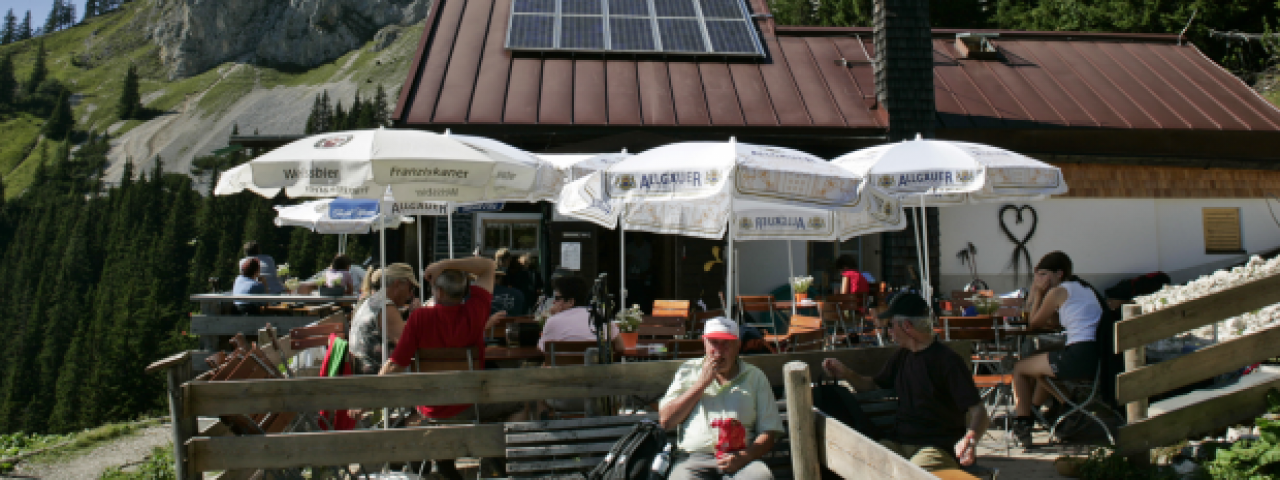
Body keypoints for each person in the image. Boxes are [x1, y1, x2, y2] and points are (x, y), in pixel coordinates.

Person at [820, 293, 988, 471]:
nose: (889, 332)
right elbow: (874, 385)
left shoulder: (947, 362)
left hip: (935, 448)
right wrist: (846, 373)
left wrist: (970, 440)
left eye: (891, 325)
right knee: (862, 462)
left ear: (907, 326)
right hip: (898, 444)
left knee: (911, 474)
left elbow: (979, 411)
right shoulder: (902, 356)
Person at [379, 257, 501, 480]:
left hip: (430, 407)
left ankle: (439, 466)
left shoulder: (420, 318)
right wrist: (444, 265)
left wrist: (371, 388)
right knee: (521, 403)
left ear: (440, 293)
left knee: (411, 423)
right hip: (468, 405)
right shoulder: (476, 311)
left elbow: (396, 364)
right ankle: (498, 465)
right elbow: (488, 266)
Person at [659, 316, 784, 480]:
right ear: (704, 344)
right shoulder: (688, 371)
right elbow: (666, 420)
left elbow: (769, 431)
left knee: (759, 477)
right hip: (693, 459)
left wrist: (745, 456)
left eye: (726, 343)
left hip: (742, 457)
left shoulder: (754, 377)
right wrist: (701, 384)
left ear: (738, 346)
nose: (718, 350)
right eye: (713, 342)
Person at [1009, 251, 1102, 448]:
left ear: (1059, 274)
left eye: (1043, 274)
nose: (1038, 280)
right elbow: (1053, 322)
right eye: (1037, 275)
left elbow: (1033, 324)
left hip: (1077, 357)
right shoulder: (1084, 288)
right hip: (1094, 355)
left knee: (1019, 368)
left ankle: (1024, 424)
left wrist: (1039, 294)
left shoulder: (1058, 292)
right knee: (1036, 360)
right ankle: (1054, 407)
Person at [349, 264, 421, 375]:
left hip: (362, 373)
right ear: (397, 284)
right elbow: (409, 345)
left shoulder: (374, 300)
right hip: (376, 380)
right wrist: (417, 317)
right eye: (410, 288)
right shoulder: (386, 307)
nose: (411, 294)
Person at [537, 275, 623, 354]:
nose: (553, 302)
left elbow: (541, 350)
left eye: (557, 298)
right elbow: (620, 347)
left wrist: (553, 317)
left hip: (565, 369)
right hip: (597, 370)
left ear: (571, 302)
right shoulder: (601, 316)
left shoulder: (554, 321)